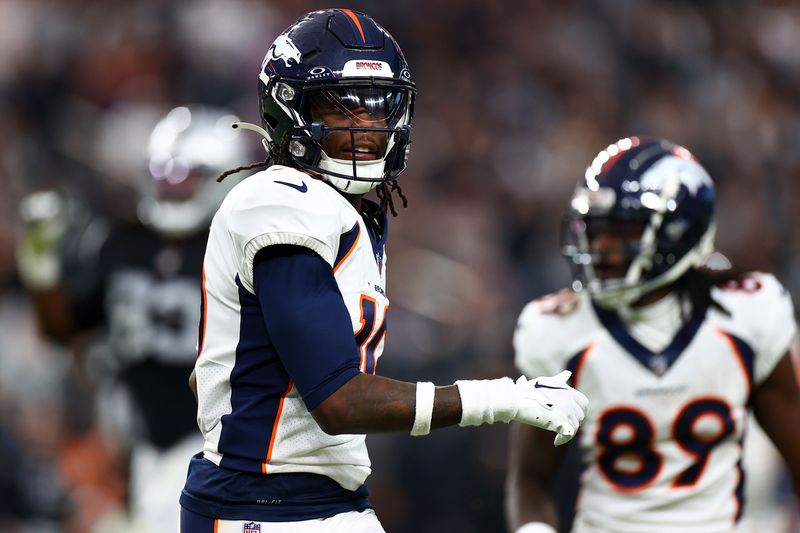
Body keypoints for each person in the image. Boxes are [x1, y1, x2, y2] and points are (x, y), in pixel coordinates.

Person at [179, 9, 588, 533]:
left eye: (378, 107)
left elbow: (208, 376)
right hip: (262, 509)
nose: (365, 127)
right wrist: (501, 397)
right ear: (287, 108)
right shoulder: (283, 202)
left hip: (306, 501)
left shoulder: (341, 210)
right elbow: (338, 400)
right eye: (341, 107)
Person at [505, 136, 800, 533]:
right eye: (595, 231)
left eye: (620, 233)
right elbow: (531, 480)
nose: (601, 249)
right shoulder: (556, 329)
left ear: (680, 232)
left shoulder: (748, 314)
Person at [16, 104, 248, 532]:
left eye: (185, 180)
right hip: (139, 436)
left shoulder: (245, 251)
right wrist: (42, 272)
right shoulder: (123, 242)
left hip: (224, 439)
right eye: (165, 177)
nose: (172, 190)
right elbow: (61, 330)